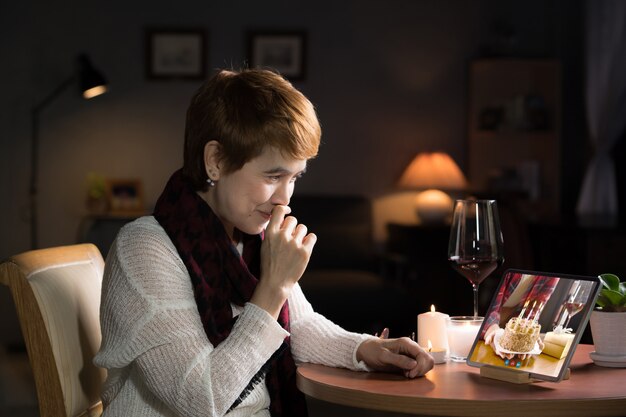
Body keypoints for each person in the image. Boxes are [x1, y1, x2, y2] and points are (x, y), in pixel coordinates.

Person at [94, 68, 434, 417]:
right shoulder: (145, 248)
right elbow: (200, 400)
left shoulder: (251, 238)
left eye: (294, 178)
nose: (284, 200)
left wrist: (366, 348)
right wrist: (273, 286)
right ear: (216, 161)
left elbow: (296, 328)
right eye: (273, 176)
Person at [482, 271, 559, 360]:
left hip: (506, 331)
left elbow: (533, 311)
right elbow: (487, 305)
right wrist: (492, 329)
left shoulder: (552, 277)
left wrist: (528, 338)